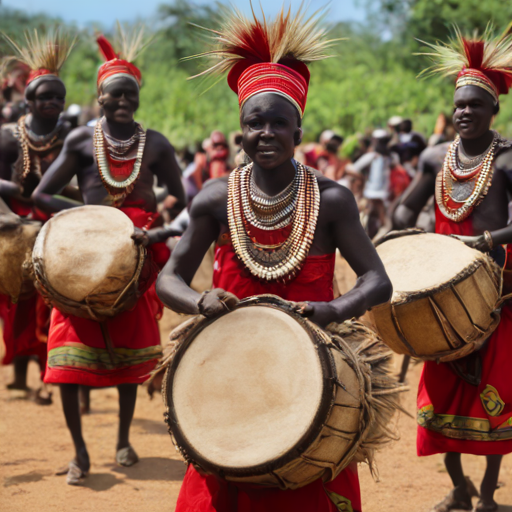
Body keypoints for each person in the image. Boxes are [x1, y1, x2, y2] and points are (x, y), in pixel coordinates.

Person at [156, 6, 392, 512]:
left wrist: (332, 310)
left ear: (299, 132)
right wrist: (200, 302)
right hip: (230, 366)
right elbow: (168, 279)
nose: (265, 132)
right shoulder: (215, 200)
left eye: (278, 122)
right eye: (253, 122)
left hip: (314, 370)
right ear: (240, 130)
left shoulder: (331, 200)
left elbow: (376, 279)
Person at [32, 28, 186, 485]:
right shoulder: (81, 141)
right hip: (81, 257)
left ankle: (122, 439)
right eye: (115, 94)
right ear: (99, 97)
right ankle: (79, 453)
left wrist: (152, 227)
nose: (123, 100)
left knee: (127, 363)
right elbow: (42, 195)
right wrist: (87, 218)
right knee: (66, 360)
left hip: (134, 259)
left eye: (131, 94)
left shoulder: (155, 144)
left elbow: (181, 197)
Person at [393, 27, 512, 512]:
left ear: (494, 110)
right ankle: (460, 488)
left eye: (475, 105)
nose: (465, 112)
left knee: (496, 391)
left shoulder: (506, 161)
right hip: (442, 294)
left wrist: (484, 242)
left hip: (497, 293)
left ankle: (487, 493)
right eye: (459, 104)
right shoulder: (433, 158)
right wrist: (414, 239)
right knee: (441, 393)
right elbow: (403, 210)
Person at [0, 28, 76, 403]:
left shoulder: (72, 139)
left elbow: (80, 185)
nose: (53, 102)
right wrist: (13, 197)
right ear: (28, 99)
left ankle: (53, 377)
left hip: (58, 224)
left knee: (56, 301)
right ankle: (20, 374)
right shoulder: (7, 137)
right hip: (15, 227)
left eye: (59, 97)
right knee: (18, 304)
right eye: (45, 96)